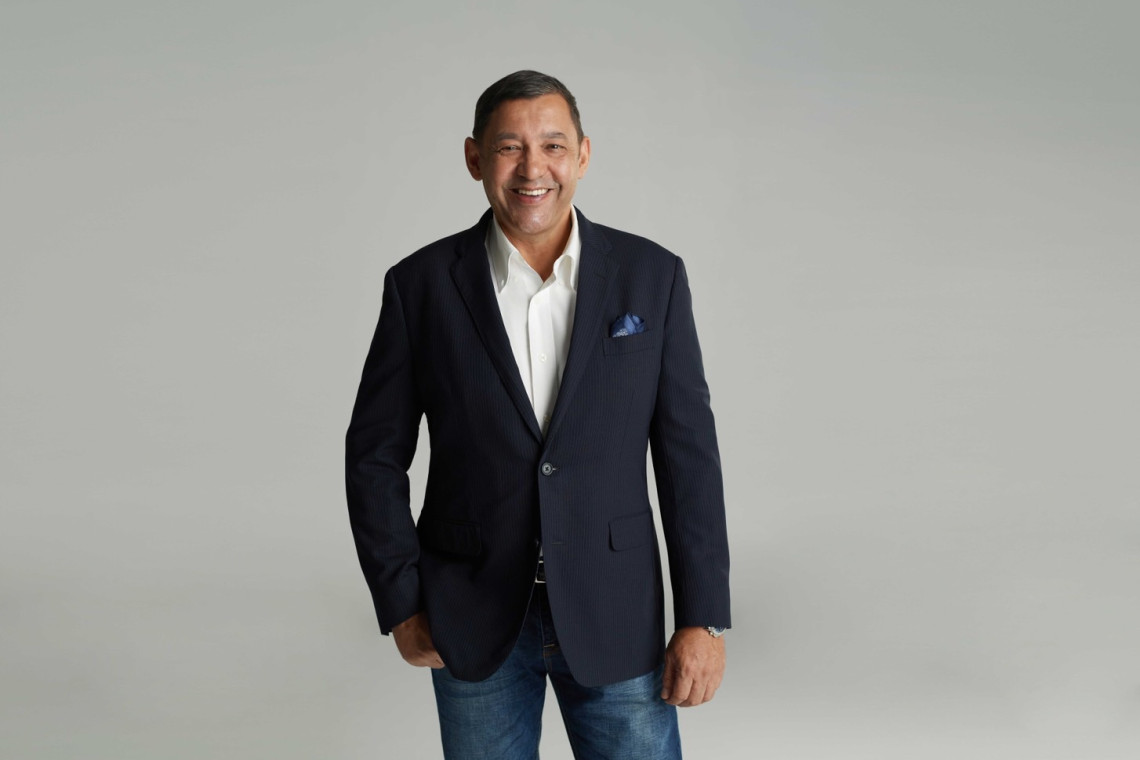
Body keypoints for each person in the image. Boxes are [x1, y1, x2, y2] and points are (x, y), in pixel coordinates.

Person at [345, 70, 731, 759]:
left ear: (583, 155)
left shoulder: (652, 276)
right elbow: (373, 456)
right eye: (508, 148)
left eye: (553, 145)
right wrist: (400, 602)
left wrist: (703, 618)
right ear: (474, 158)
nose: (533, 168)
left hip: (617, 611)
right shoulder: (419, 286)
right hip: (471, 613)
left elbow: (689, 455)